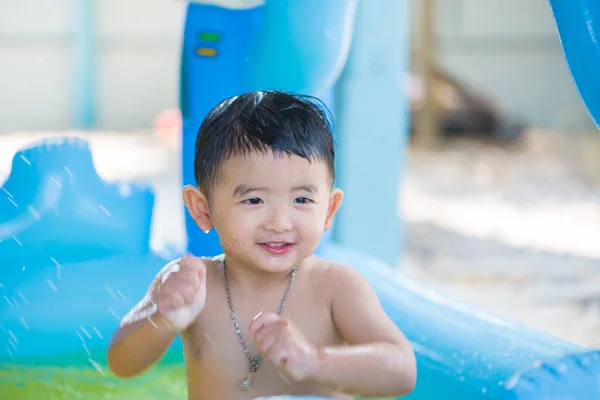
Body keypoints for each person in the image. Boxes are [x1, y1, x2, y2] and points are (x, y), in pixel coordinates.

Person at [107, 91, 417, 399]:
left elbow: (402, 371)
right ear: (202, 209)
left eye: (302, 200)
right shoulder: (191, 284)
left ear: (329, 210)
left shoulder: (336, 287)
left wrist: (314, 361)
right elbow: (122, 364)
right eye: (254, 200)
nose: (279, 222)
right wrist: (163, 317)